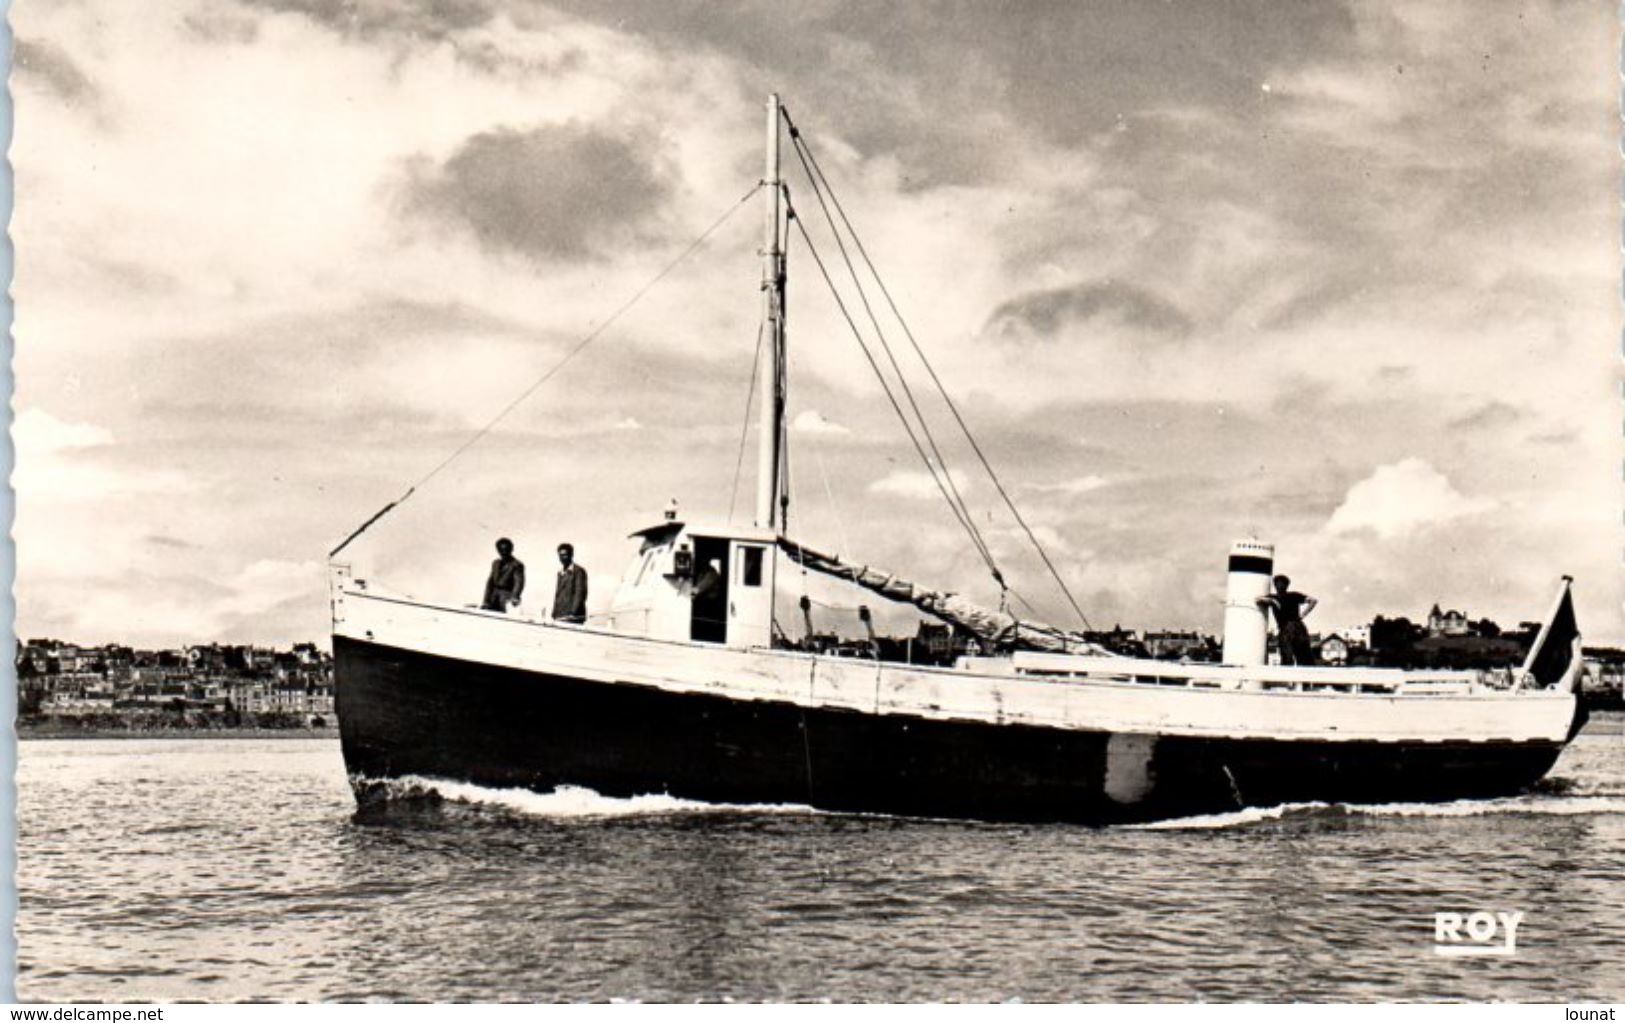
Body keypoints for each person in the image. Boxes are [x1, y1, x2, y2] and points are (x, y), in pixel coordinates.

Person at [1258, 574, 1317, 666]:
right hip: (1292, 627)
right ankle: (1298, 678)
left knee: (1297, 658)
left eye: (1281, 584)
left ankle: (1302, 678)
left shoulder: (1293, 595)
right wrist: (1272, 601)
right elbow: (1258, 599)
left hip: (1292, 628)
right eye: (1277, 584)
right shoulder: (1274, 597)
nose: (1279, 586)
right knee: (1296, 658)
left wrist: (1303, 615)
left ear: (1286, 585)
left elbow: (1313, 600)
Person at [482, 538, 525, 613]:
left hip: (506, 597)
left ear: (511, 550)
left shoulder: (517, 565)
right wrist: (486, 600)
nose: (504, 553)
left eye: (506, 550)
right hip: (493, 597)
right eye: (501, 550)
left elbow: (519, 583)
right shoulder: (495, 563)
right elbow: (490, 582)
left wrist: (515, 597)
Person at [552, 543, 589, 623]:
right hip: (560, 616)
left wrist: (573, 613)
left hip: (573, 618)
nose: (562, 558)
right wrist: (554, 614)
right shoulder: (560, 573)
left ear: (571, 555)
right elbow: (558, 595)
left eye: (565, 555)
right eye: (560, 555)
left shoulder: (578, 571)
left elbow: (580, 594)